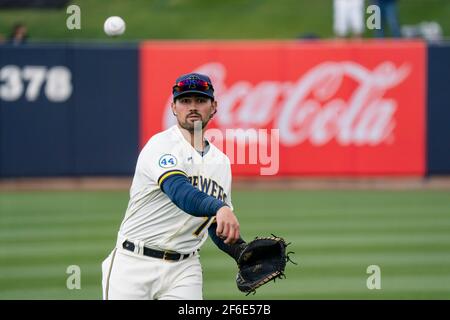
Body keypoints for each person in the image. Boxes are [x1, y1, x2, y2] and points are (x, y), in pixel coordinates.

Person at [101, 73, 245, 300]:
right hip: (133, 263)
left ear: (214, 106)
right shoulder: (161, 145)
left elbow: (213, 223)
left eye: (201, 100)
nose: (193, 107)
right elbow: (179, 192)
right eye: (185, 101)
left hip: (184, 271)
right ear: (173, 108)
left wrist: (240, 251)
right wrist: (219, 207)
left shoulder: (222, 162)